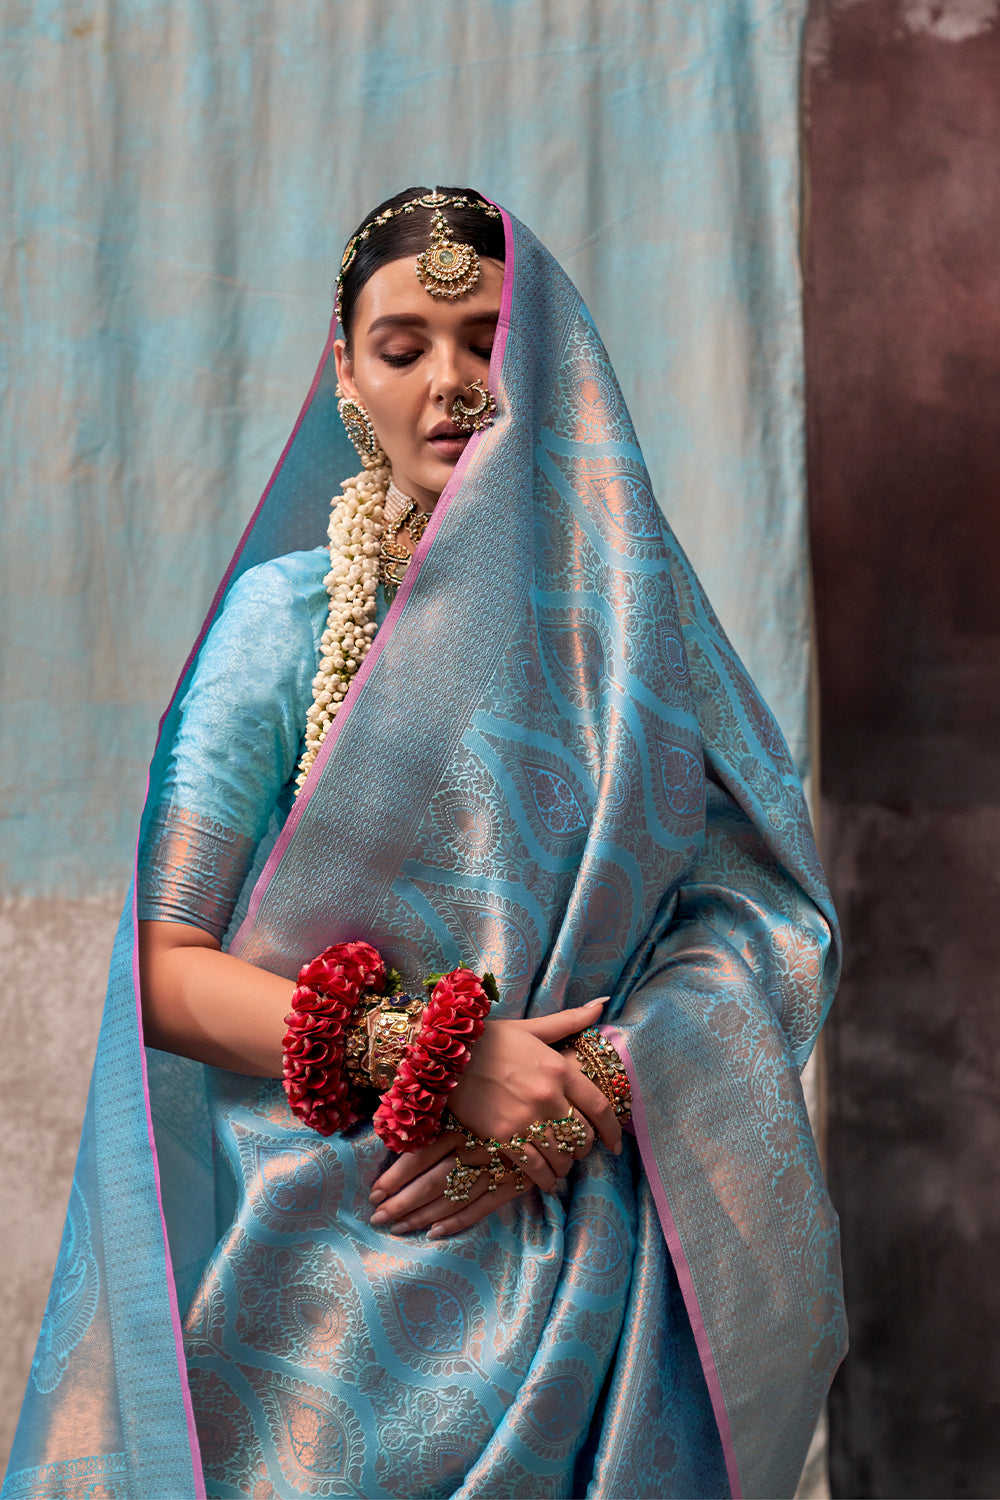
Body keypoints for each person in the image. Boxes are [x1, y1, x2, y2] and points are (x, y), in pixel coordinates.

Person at [3, 187, 846, 1500]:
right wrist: (437, 1059)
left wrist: (599, 1091)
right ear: (345, 369)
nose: (450, 383)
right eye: (404, 346)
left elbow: (762, 918)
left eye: (486, 341)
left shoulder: (634, 636)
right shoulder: (281, 628)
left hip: (589, 1269)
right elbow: (162, 974)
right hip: (325, 1289)